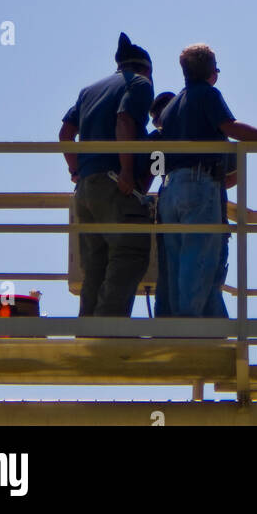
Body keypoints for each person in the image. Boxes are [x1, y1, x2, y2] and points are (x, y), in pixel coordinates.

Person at [157, 43, 257, 317]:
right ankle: (190, 328)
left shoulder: (171, 107)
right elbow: (230, 127)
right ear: (212, 71)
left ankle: (190, 325)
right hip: (200, 183)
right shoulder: (207, 95)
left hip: (170, 187)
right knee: (200, 258)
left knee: (175, 259)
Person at [60, 32, 155, 317]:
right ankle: (110, 331)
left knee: (96, 264)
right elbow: (124, 120)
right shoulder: (140, 84)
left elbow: (65, 134)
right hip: (115, 184)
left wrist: (76, 169)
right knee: (129, 253)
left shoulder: (89, 90)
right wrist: (127, 171)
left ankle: (88, 330)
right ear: (146, 68)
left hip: (87, 190)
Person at [147, 91, 176, 318]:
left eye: (156, 120)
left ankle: (165, 327)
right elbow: (232, 175)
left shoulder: (158, 139)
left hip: (168, 199)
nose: (156, 125)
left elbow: (150, 174)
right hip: (206, 198)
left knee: (168, 270)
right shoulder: (202, 129)